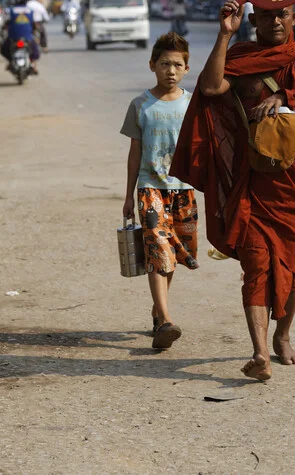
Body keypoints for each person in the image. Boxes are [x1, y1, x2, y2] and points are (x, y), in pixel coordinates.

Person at [170, 0, 295, 381]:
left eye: (283, 15)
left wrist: (288, 97)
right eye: (265, 16)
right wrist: (225, 34)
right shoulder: (241, 57)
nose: (275, 22)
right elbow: (210, 89)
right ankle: (260, 353)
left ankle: (283, 337)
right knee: (257, 261)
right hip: (253, 178)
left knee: (293, 258)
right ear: (253, 20)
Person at [121, 32, 199, 350]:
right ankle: (166, 320)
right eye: (165, 63)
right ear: (152, 65)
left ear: (186, 68)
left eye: (177, 64)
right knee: (157, 249)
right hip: (150, 187)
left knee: (173, 254)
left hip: (183, 189)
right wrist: (128, 195)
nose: (171, 70)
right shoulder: (140, 105)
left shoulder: (192, 103)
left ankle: (157, 310)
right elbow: (134, 152)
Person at [2, 0, 40, 74]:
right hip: (28, 38)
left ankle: (10, 62)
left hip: (13, 37)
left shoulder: (11, 10)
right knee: (35, 51)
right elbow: (34, 24)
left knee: (3, 49)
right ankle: (33, 64)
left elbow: (6, 23)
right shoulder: (30, 11)